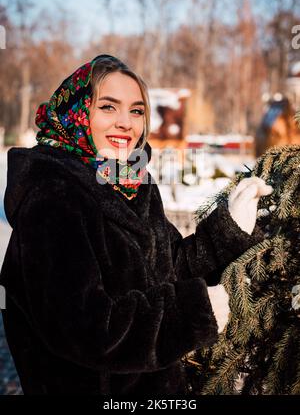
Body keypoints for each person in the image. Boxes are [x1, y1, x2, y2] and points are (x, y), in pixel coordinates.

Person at [0, 54, 272, 395]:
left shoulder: (130, 180)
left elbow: (170, 266)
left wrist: (229, 228)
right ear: (76, 114)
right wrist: (192, 313)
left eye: (137, 110)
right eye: (108, 107)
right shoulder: (53, 195)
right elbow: (88, 329)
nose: (126, 123)